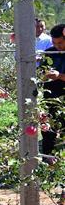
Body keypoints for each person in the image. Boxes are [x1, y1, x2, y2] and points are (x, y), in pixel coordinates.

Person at [39, 23, 65, 158]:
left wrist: (59, 76)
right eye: (55, 42)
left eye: (60, 43)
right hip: (50, 97)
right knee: (48, 130)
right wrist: (43, 75)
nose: (57, 46)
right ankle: (47, 158)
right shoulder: (50, 52)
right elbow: (40, 73)